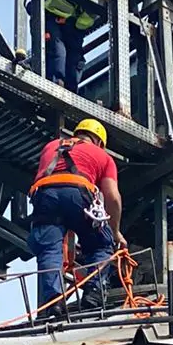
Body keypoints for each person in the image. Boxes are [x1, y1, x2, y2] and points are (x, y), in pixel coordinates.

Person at [27, 118, 126, 313]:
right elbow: (113, 198)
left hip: (45, 196)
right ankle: (94, 293)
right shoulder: (102, 156)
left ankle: (53, 302)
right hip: (79, 194)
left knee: (49, 250)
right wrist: (115, 232)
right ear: (99, 142)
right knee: (100, 244)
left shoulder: (51, 146)